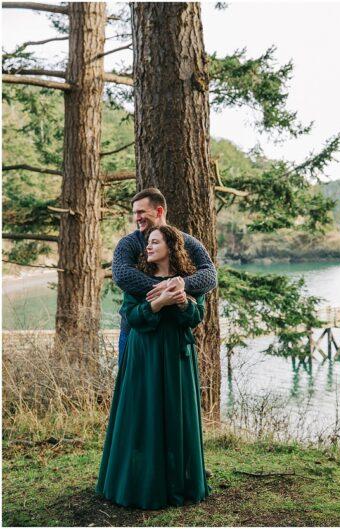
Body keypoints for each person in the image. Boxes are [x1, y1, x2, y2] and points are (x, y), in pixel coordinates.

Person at [97, 225, 210, 509]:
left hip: (176, 357)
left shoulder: (188, 281)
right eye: (148, 243)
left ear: (171, 247)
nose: (148, 247)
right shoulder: (139, 281)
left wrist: (184, 303)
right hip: (144, 354)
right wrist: (158, 303)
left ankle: (177, 482)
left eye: (155, 242)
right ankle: (140, 483)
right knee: (142, 415)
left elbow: (197, 317)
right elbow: (132, 317)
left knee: (176, 415)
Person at [112, 188, 217, 365]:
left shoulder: (185, 242)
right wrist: (165, 289)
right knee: (133, 388)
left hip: (174, 337)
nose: (136, 218)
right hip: (135, 333)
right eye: (134, 213)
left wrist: (181, 283)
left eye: (141, 212)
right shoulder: (128, 243)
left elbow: (210, 275)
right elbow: (122, 276)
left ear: (159, 211)